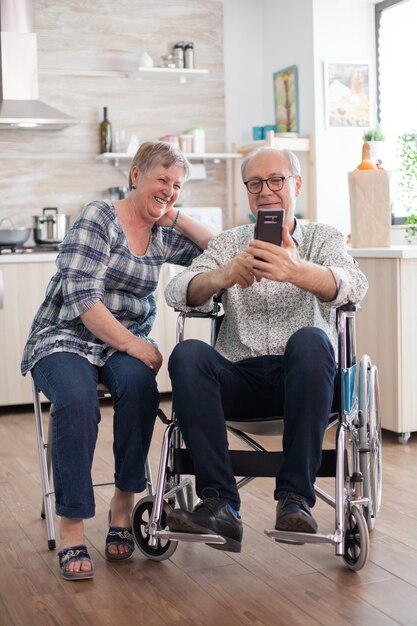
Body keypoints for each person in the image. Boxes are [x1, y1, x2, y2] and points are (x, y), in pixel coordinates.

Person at [21, 141, 215, 580]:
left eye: (177, 185)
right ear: (135, 176)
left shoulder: (162, 233)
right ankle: (72, 527)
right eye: (161, 180)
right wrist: (132, 343)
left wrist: (175, 215)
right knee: (75, 398)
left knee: (141, 389)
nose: (168, 190)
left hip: (117, 344)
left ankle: (123, 506)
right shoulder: (99, 217)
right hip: (65, 335)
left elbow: (218, 250)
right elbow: (81, 297)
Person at [164, 146, 368, 553]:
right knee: (186, 355)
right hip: (241, 379)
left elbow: (354, 286)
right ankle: (220, 504)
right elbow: (176, 291)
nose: (266, 191)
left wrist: (299, 272)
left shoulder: (322, 237)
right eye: (255, 183)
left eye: (276, 180)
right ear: (247, 191)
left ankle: (295, 498)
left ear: (297, 184)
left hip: (308, 379)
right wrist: (220, 276)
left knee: (311, 339)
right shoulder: (229, 243)